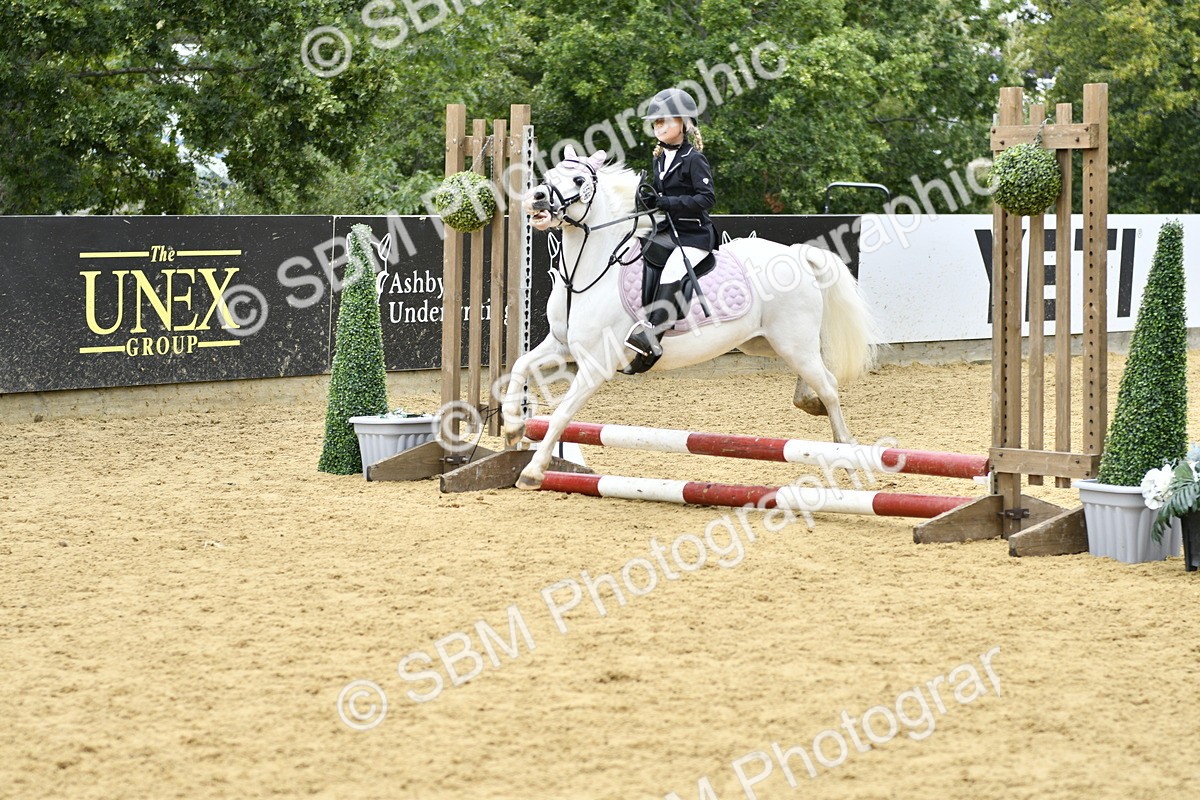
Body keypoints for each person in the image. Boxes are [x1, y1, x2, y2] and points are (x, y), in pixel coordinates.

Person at [622, 87, 717, 375]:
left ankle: (653, 338)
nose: (659, 126)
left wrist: (666, 202)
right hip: (669, 230)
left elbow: (706, 199)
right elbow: (659, 198)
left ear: (684, 124)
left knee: (674, 270)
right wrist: (647, 201)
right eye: (656, 122)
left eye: (665, 120)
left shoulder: (693, 159)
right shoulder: (659, 158)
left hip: (694, 233)